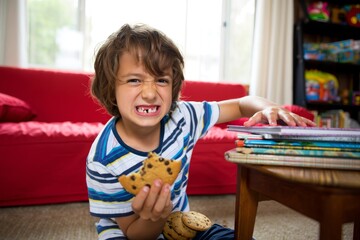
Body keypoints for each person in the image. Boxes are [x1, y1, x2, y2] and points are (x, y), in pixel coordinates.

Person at [86, 23, 316, 240]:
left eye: (161, 80)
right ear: (110, 87)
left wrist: (269, 107)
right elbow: (134, 234)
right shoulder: (103, 159)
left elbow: (241, 103)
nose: (149, 92)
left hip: (182, 225)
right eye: (135, 80)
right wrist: (155, 217)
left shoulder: (182, 117)